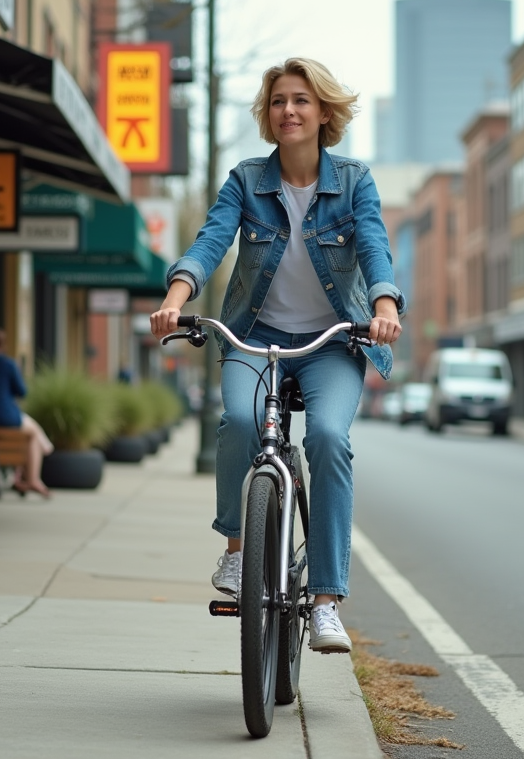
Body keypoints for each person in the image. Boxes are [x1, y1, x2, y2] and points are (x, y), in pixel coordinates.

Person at [150, 58, 404, 654]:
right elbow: (211, 240)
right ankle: (238, 553)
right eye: (277, 101)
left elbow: (373, 245)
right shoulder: (245, 180)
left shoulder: (354, 179)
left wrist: (386, 307)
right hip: (255, 336)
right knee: (239, 421)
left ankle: (324, 602)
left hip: (332, 342)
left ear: (323, 113)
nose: (288, 111)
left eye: (301, 100)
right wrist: (175, 297)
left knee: (328, 441)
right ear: (267, 115)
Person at [0, 329, 53, 499]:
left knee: (28, 430)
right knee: (32, 434)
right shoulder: (9, 364)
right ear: (2, 345)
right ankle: (33, 478)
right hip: (5, 418)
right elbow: (22, 391)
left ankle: (19, 476)